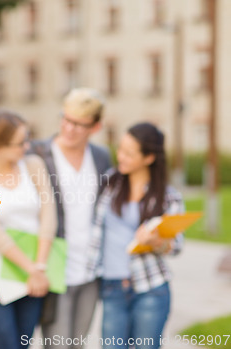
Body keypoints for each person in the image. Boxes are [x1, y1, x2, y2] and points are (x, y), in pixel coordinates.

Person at [0, 109, 57, 349]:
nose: (26, 147)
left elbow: (49, 215)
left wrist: (40, 267)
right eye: (20, 143)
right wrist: (32, 270)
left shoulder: (33, 166)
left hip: (37, 269)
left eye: (27, 139)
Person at [86, 122, 184, 349]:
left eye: (129, 154)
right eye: (120, 149)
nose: (121, 157)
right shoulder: (109, 184)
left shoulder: (168, 197)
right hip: (112, 287)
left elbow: (176, 246)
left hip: (151, 287)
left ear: (149, 158)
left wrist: (155, 242)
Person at [30, 88, 111, 349]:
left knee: (79, 343)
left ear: (95, 127)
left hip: (90, 268)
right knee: (57, 343)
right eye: (66, 119)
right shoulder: (37, 153)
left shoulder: (101, 157)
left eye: (79, 124)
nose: (69, 128)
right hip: (54, 265)